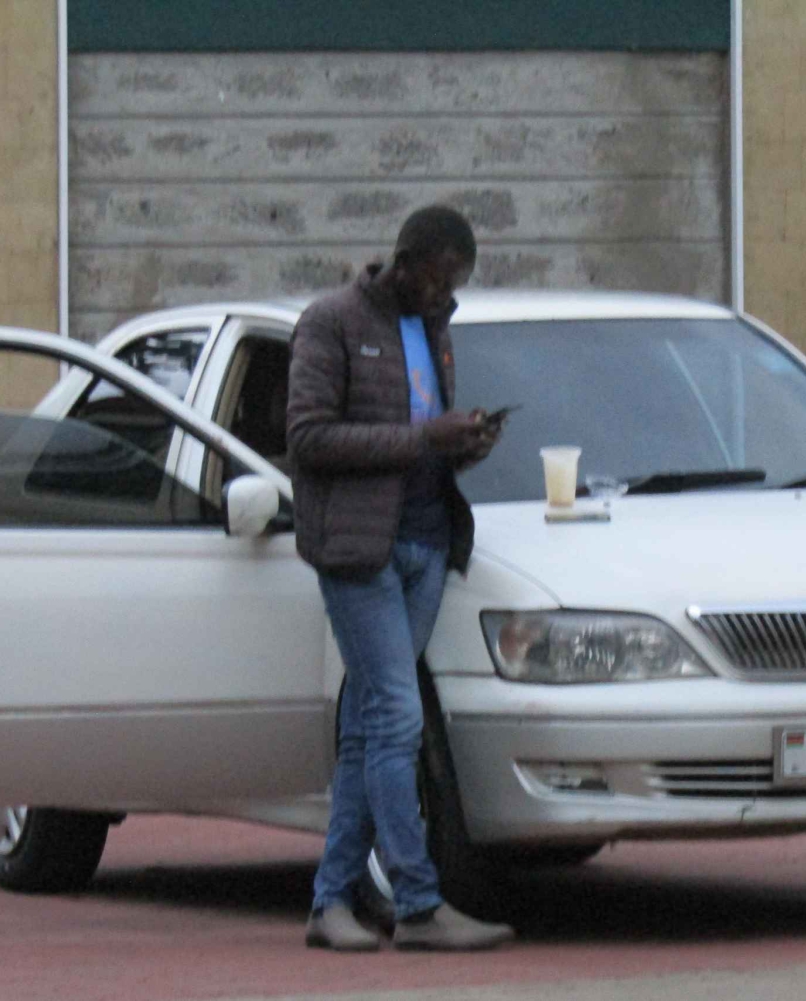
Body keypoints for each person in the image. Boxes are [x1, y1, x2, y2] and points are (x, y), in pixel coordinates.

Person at [286, 205, 514, 952]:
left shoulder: (433, 327)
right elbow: (309, 437)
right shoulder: (331, 322)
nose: (448, 296)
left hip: (424, 541)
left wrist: (464, 442)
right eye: (442, 279)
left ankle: (330, 901)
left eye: (458, 285)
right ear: (409, 261)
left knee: (367, 727)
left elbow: (427, 439)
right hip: (359, 551)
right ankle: (418, 902)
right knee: (397, 715)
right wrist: (424, 436)